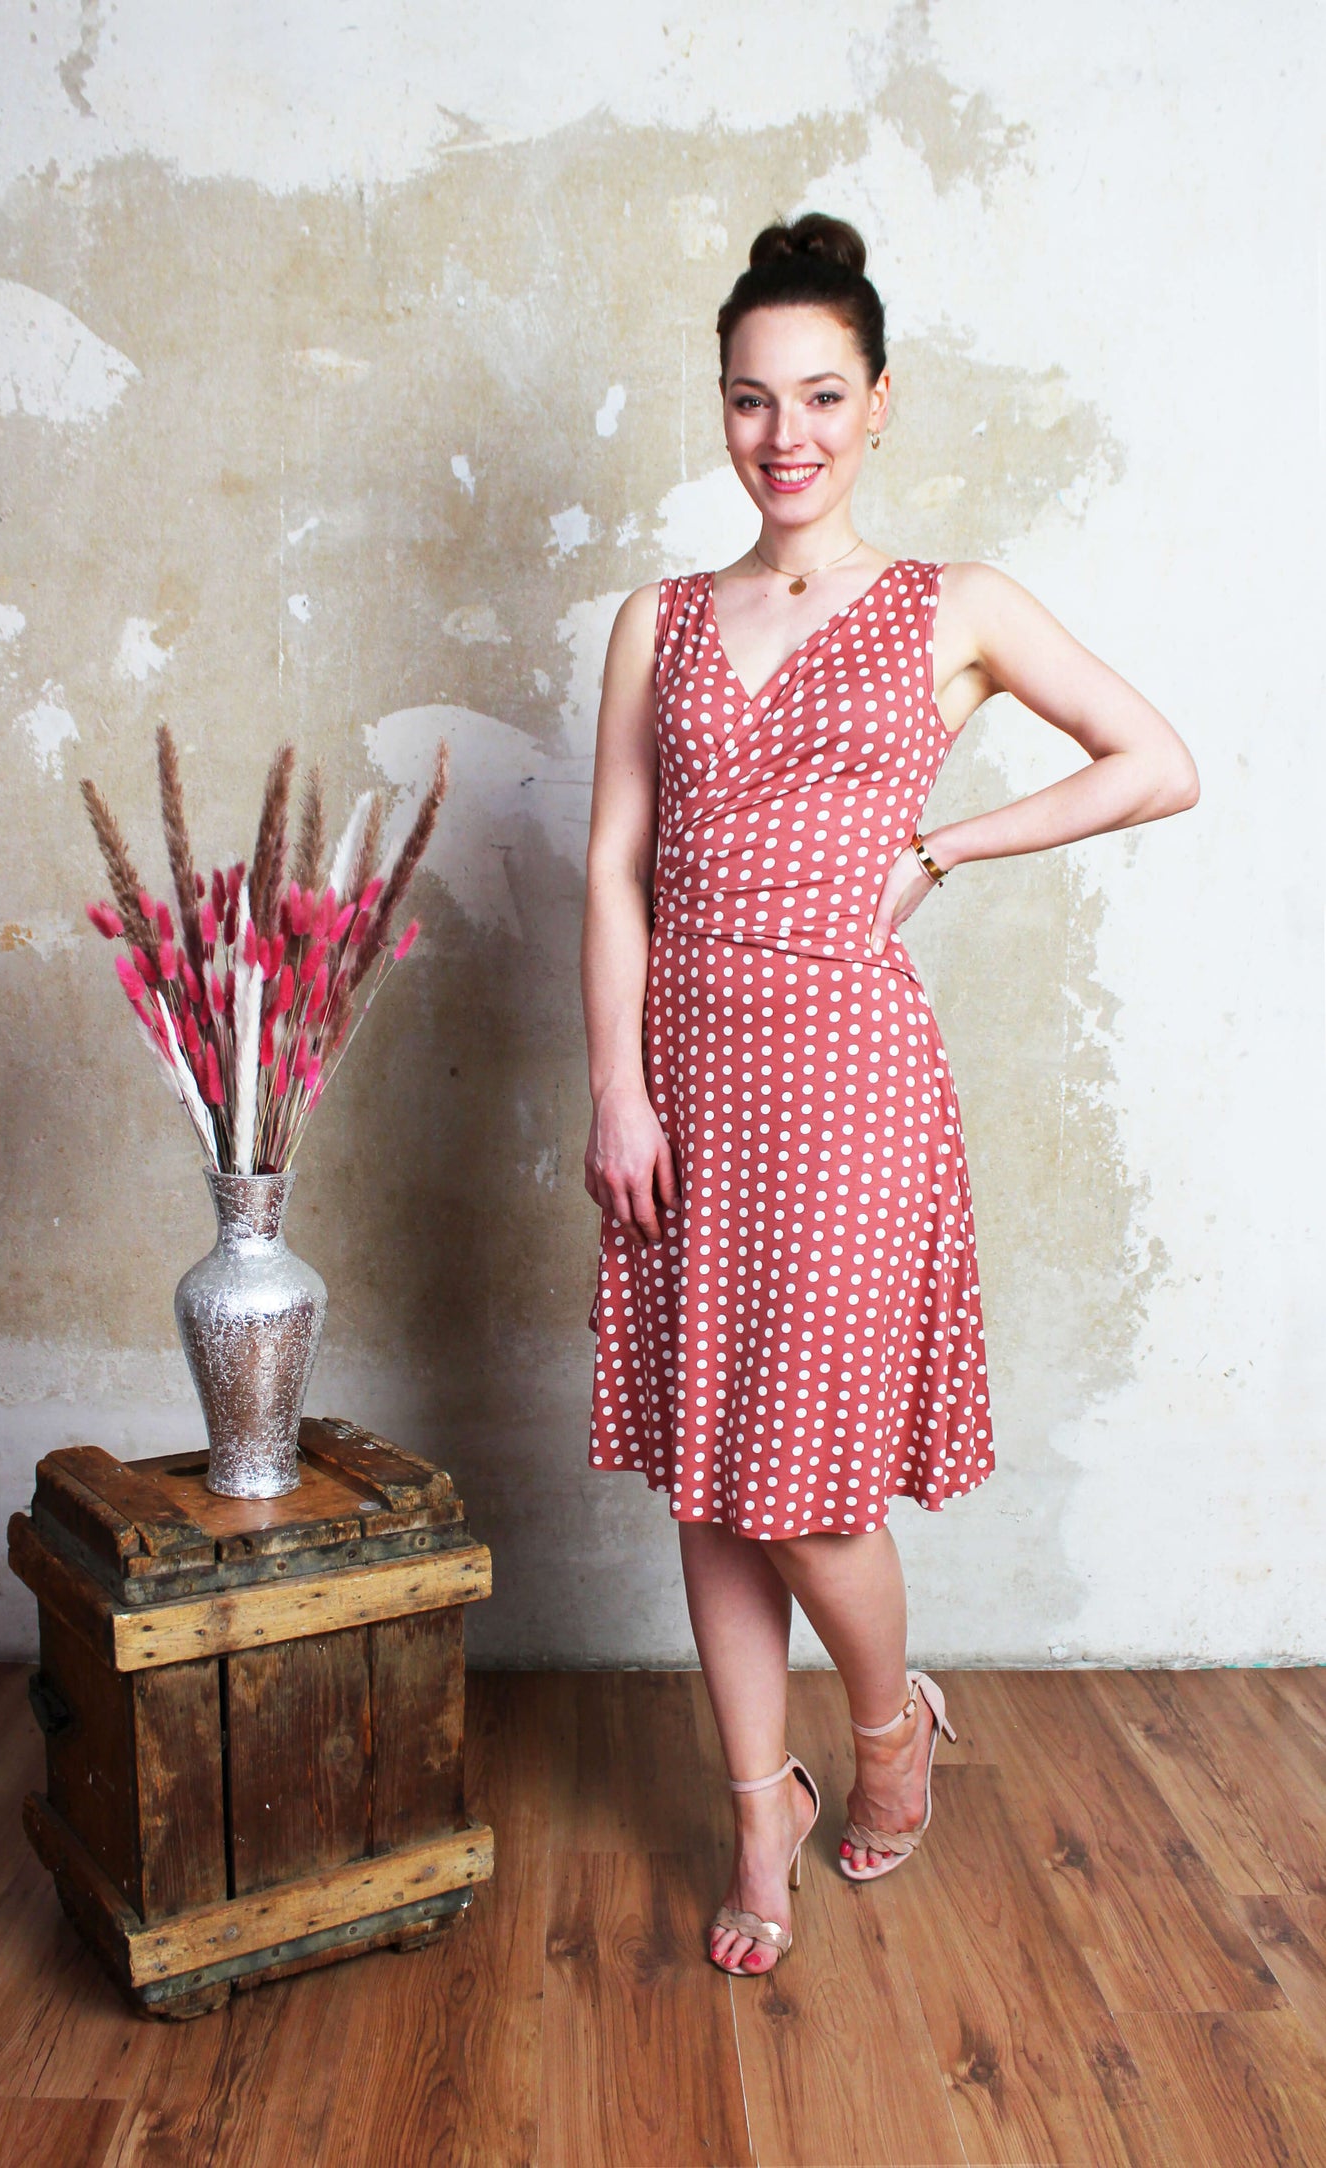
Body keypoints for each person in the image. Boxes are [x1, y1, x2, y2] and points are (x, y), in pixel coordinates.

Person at [579, 213, 1199, 1977]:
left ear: (877, 407)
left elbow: (1155, 764)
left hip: (847, 1076)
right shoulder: (659, 620)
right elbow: (615, 869)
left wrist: (943, 841)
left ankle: (882, 1730)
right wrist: (617, 1092)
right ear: (719, 410)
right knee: (710, 1478)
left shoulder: (955, 607)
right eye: (750, 400)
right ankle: (754, 1811)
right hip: (684, 1069)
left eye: (821, 397)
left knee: (802, 1485)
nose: (785, 434)